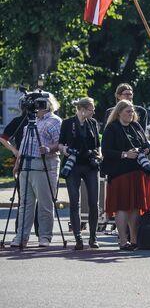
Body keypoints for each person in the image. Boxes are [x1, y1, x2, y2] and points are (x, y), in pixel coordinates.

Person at [101, 100, 150, 250]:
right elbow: (106, 151)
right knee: (122, 207)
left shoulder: (136, 126)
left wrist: (145, 151)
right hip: (119, 173)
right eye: (128, 111)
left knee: (135, 207)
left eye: (132, 111)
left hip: (137, 171)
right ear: (119, 112)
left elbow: (146, 144)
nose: (131, 114)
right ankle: (123, 241)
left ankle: (134, 240)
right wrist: (125, 154)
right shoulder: (111, 128)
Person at [10, 93, 62, 248]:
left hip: (45, 164)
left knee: (45, 204)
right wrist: (17, 163)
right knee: (24, 204)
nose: (35, 107)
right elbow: (24, 145)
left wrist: (48, 148)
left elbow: (60, 143)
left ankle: (45, 236)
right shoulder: (30, 123)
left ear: (47, 104)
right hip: (27, 165)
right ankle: (21, 237)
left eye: (38, 103)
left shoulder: (55, 121)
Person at [58, 97, 102, 250]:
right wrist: (65, 151)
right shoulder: (68, 123)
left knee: (93, 203)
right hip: (73, 165)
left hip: (90, 165)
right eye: (91, 109)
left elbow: (97, 144)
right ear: (82, 109)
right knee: (74, 202)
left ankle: (93, 237)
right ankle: (78, 238)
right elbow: (61, 143)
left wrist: (99, 155)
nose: (94, 112)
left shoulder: (93, 123)